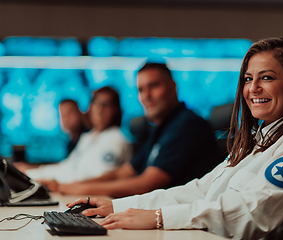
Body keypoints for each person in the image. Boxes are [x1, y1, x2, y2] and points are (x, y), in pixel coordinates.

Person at [67, 37, 283, 239]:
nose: (253, 88)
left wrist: (159, 218)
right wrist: (118, 206)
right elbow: (200, 190)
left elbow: (252, 211)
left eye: (267, 78)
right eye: (248, 78)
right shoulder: (260, 140)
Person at [55, 63, 222, 198]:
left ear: (173, 87)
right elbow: (123, 173)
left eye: (153, 86)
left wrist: (78, 190)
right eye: (141, 89)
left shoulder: (187, 125)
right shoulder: (160, 128)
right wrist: (76, 186)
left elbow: (146, 184)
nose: (146, 96)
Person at [15, 87, 132, 185]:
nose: (99, 109)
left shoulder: (116, 139)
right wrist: (30, 172)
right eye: (96, 103)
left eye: (106, 105)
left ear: (116, 110)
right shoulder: (89, 137)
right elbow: (68, 167)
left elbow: (93, 178)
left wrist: (38, 178)